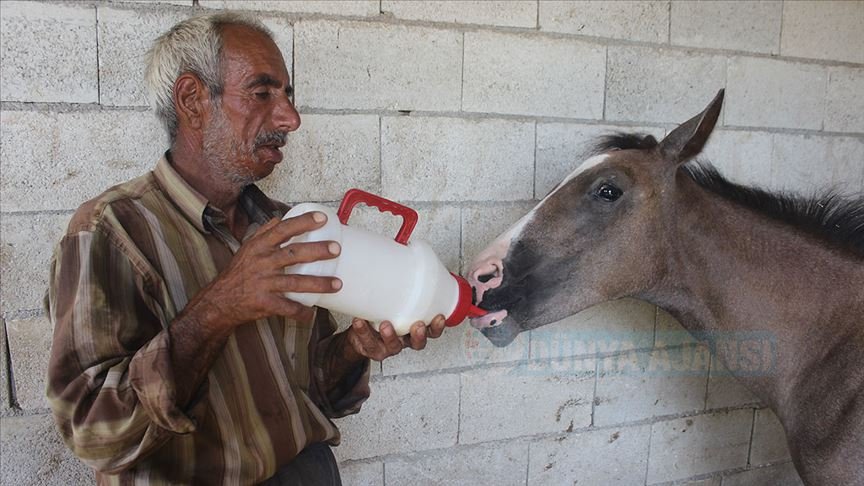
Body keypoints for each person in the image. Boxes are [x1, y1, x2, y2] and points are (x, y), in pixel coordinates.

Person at [45, 12, 446, 485]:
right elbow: (94, 432)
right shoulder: (110, 231)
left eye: (288, 96)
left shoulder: (286, 226)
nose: (290, 119)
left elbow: (311, 389)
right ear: (193, 100)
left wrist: (354, 349)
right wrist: (220, 306)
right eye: (262, 94)